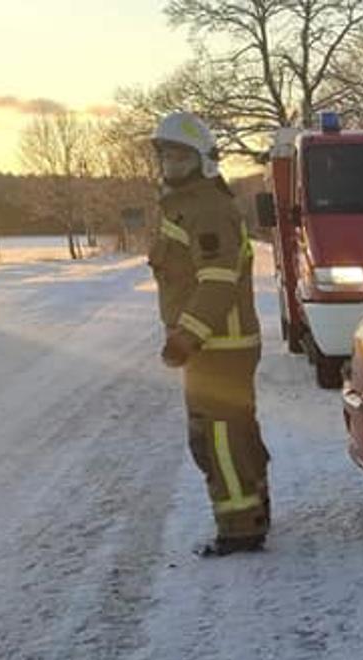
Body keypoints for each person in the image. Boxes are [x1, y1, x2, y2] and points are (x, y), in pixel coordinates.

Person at [148, 111, 271, 557]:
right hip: (211, 347)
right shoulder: (185, 205)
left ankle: (241, 527)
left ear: (203, 160)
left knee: (220, 437)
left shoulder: (208, 210)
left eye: (180, 157)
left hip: (220, 346)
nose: (170, 166)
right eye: (166, 157)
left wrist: (187, 337)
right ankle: (254, 508)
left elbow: (217, 283)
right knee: (232, 432)